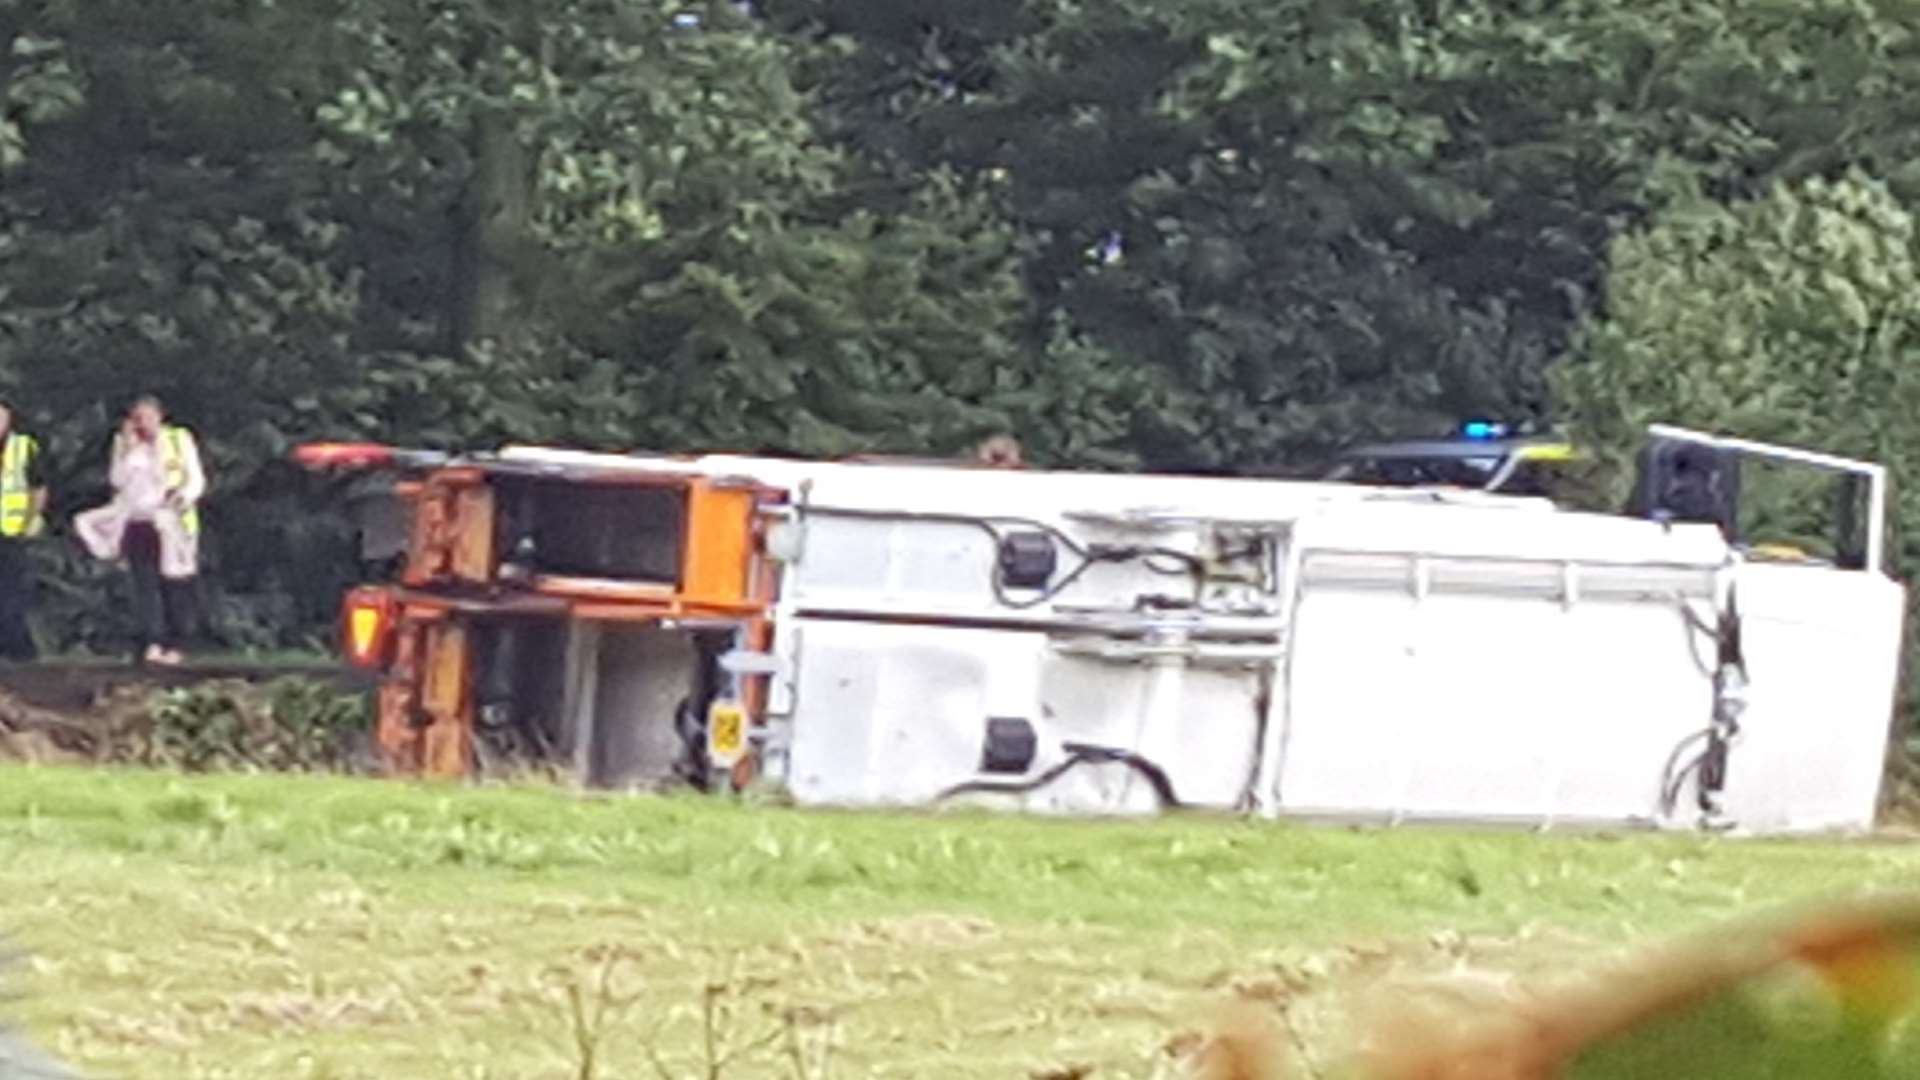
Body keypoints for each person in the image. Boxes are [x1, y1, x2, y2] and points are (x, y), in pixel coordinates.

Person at [74, 395, 207, 666]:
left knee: (174, 581)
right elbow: (117, 480)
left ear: (159, 416)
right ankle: (151, 639)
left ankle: (177, 640)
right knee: (144, 581)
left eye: (146, 417)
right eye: (137, 418)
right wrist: (127, 450)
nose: (141, 423)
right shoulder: (124, 443)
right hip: (136, 519)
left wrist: (182, 497)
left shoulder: (177, 439)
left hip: (171, 521)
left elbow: (195, 477)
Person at [0, 396, 49, 662]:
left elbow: (38, 487)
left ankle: (20, 649)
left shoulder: (23, 447)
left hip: (14, 530)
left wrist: (31, 520)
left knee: (12, 590)